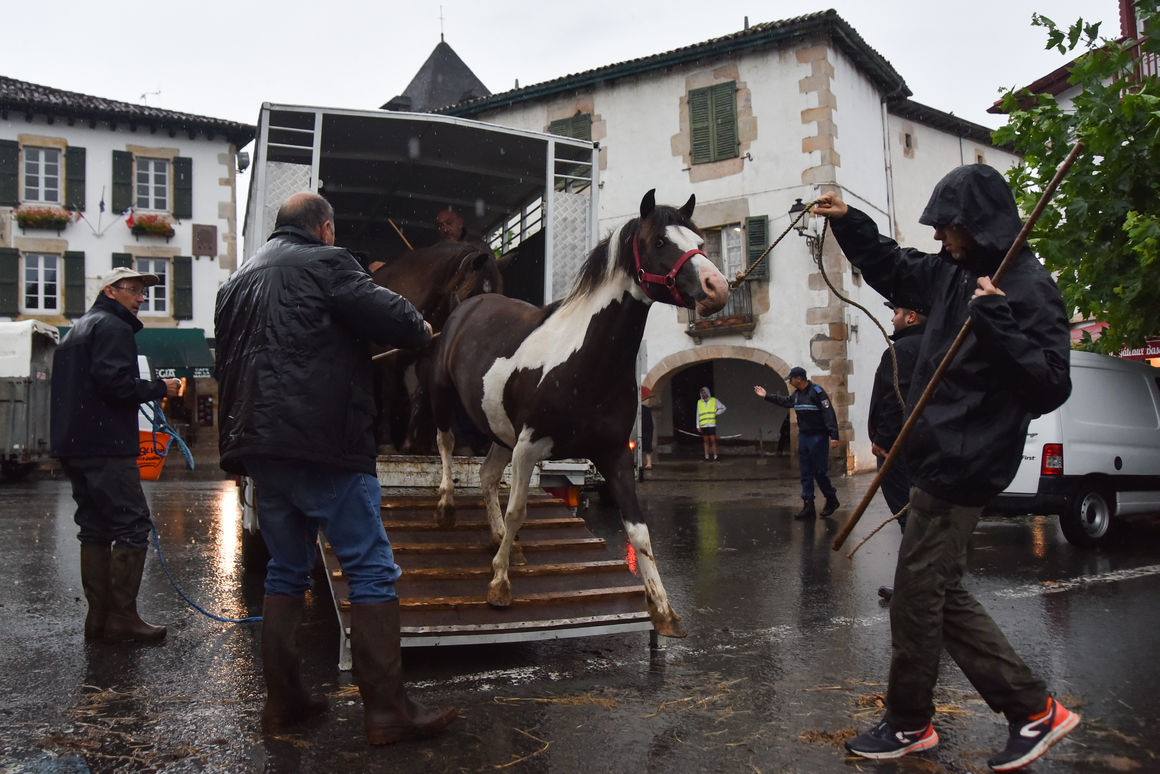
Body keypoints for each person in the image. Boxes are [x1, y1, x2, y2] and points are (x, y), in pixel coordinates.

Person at [814, 164, 1078, 771]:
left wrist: (999, 323)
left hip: (968, 463)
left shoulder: (1029, 288)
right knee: (927, 592)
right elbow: (896, 268)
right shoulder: (955, 273)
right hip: (938, 456)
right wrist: (850, 225)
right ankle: (937, 720)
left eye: (948, 228)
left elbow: (1049, 385)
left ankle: (1000, 714)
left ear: (977, 224)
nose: (939, 239)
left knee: (920, 595)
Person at [214, 193, 456, 744]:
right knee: (370, 568)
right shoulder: (329, 262)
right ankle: (388, 711)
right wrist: (419, 329)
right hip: (323, 440)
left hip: (260, 446)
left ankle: (284, 702)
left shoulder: (237, 283)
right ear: (324, 228)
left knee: (284, 571)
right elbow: (390, 314)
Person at [50, 266, 182, 644]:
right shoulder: (114, 327)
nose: (142, 298)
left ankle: (99, 619)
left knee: (93, 527)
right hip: (106, 445)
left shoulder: (78, 329)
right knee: (132, 525)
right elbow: (116, 384)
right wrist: (161, 388)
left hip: (74, 445)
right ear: (111, 291)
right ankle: (122, 618)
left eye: (144, 291)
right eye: (135, 290)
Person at [868, 297, 928, 602]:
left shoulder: (903, 350)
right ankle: (923, 585)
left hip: (899, 450)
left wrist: (884, 441)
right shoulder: (934, 346)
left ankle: (915, 588)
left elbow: (896, 399)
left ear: (912, 316)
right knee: (919, 517)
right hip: (923, 446)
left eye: (896, 313)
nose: (892, 319)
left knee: (910, 519)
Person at [754, 368, 840, 519]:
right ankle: (808, 505)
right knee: (806, 473)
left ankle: (831, 498)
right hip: (805, 437)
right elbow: (786, 401)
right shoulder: (798, 395)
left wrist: (834, 435)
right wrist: (766, 396)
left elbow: (828, 413)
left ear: (799, 378)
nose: (790, 381)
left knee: (819, 472)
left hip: (818, 437)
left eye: (791, 379)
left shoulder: (817, 392)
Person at [695, 386, 725, 461]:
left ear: (707, 392)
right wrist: (697, 426)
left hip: (711, 425)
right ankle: (706, 457)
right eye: (702, 393)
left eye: (704, 392)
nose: (703, 394)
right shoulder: (699, 402)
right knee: (705, 441)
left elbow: (723, 408)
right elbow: (697, 414)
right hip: (703, 425)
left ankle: (715, 456)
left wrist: (716, 413)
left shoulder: (714, 400)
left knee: (713, 441)